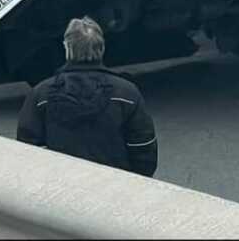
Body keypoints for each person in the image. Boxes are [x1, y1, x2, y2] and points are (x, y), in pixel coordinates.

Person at [16, 16, 157, 177]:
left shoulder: (41, 95)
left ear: (66, 48)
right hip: (116, 187)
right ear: (102, 48)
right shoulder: (127, 93)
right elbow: (143, 149)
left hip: (61, 187)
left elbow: (28, 150)